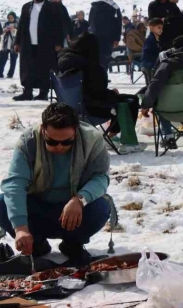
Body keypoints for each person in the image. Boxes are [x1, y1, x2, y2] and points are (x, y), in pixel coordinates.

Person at [0, 103, 111, 264]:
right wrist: (21, 228)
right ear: (43, 130)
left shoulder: (92, 139)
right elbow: (15, 184)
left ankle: (72, 244)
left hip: (73, 210)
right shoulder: (29, 141)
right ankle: (36, 245)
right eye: (51, 141)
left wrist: (79, 199)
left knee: (101, 207)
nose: (59, 147)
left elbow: (101, 177)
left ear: (76, 131)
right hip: (37, 207)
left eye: (67, 142)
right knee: (2, 203)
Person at [57, 33, 142, 152]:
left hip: (71, 108)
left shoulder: (64, 62)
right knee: (131, 100)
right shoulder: (90, 67)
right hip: (92, 109)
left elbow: (90, 90)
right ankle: (126, 142)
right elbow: (98, 93)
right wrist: (113, 94)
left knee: (120, 100)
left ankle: (112, 136)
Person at [14, 0, 66, 101]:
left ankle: (43, 93)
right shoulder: (26, 7)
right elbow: (21, 25)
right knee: (27, 68)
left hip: (46, 44)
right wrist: (17, 42)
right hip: (28, 43)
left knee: (44, 68)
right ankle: (27, 92)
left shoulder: (52, 6)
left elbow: (59, 26)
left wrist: (58, 43)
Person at [88, 0, 123, 70]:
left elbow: (90, 20)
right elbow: (118, 23)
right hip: (108, 37)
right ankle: (103, 76)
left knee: (95, 57)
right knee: (105, 58)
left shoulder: (94, 5)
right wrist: (117, 39)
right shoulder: (114, 7)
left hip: (94, 36)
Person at [141, 18, 164, 85]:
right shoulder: (150, 40)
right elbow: (148, 52)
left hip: (151, 66)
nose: (161, 30)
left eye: (162, 28)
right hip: (149, 66)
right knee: (151, 87)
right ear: (152, 28)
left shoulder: (156, 38)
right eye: (159, 27)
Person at [0, 12, 18, 79]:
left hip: (14, 45)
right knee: (2, 60)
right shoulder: (6, 23)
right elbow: (1, 33)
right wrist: (5, 30)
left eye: (11, 17)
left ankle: (10, 74)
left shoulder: (17, 24)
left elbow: (19, 34)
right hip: (5, 45)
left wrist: (14, 30)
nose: (10, 19)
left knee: (13, 61)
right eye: (9, 17)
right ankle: (0, 73)